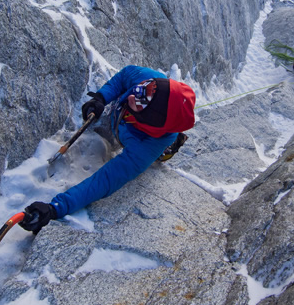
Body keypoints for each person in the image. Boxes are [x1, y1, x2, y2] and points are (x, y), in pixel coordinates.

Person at [20, 65, 196, 233]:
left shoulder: (147, 146)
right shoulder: (149, 80)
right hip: (124, 121)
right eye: (141, 89)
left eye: (141, 102)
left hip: (139, 136)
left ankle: (171, 146)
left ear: (150, 120)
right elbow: (125, 76)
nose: (133, 96)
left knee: (157, 152)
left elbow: (105, 180)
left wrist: (56, 208)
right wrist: (101, 98)